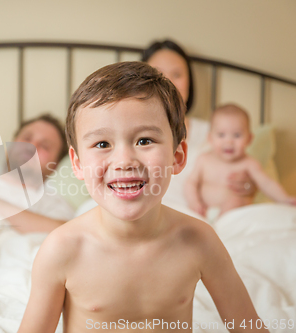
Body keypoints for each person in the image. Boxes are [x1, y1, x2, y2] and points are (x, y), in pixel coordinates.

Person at [17, 62, 267, 332]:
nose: (124, 161)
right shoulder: (61, 250)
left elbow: (249, 327)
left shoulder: (200, 241)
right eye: (102, 144)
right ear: (77, 164)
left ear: (177, 156)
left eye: (144, 140)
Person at [142, 39, 257, 208]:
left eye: (177, 74)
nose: (168, 83)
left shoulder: (218, 134)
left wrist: (248, 186)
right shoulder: (123, 132)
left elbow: (247, 177)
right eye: (158, 74)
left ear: (189, 83)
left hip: (193, 219)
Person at [185, 104, 296, 219]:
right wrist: (194, 202)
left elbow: (267, 183)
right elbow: (191, 183)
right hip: (206, 211)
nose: (229, 142)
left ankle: (221, 227)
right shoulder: (204, 159)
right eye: (221, 135)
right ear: (210, 138)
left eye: (237, 135)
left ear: (249, 139)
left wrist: (284, 199)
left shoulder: (249, 163)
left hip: (236, 214)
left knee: (235, 201)